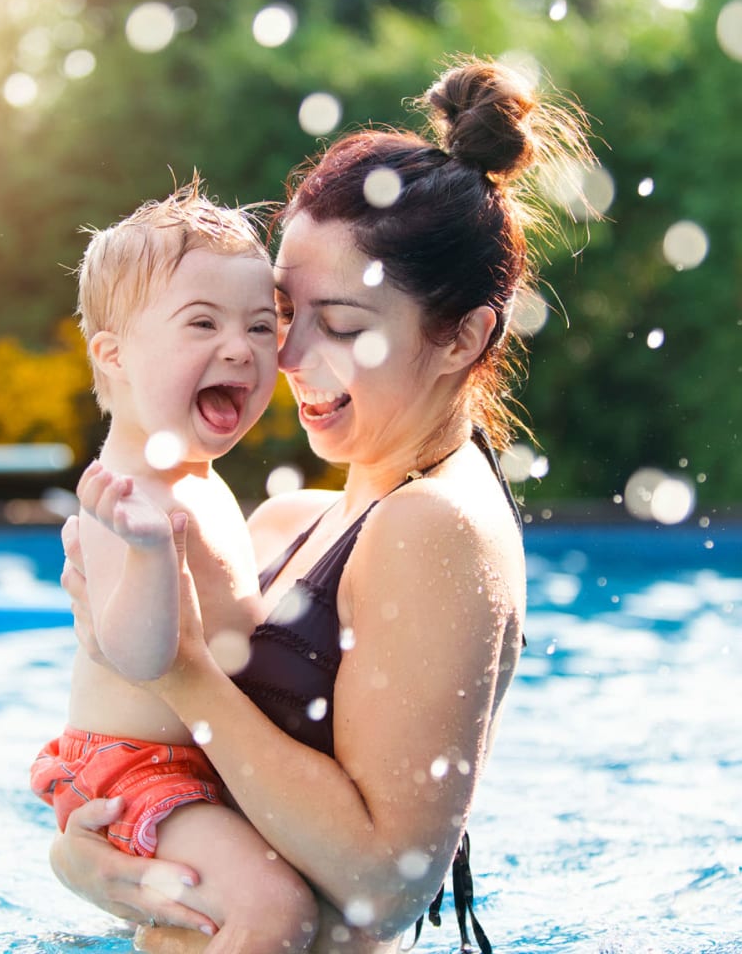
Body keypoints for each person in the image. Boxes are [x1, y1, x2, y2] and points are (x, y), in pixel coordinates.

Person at [50, 55, 593, 954]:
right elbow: (188, 778)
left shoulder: (435, 527)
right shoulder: (290, 522)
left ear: (464, 337)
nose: (288, 356)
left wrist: (182, 669)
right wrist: (90, 856)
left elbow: (385, 882)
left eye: (340, 326)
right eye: (279, 313)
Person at [30, 178, 320, 953]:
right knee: (276, 915)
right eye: (203, 323)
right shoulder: (122, 495)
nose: (240, 347)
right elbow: (139, 654)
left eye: (263, 327)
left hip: (200, 762)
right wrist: (154, 553)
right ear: (115, 354)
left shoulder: (193, 473)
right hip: (137, 773)